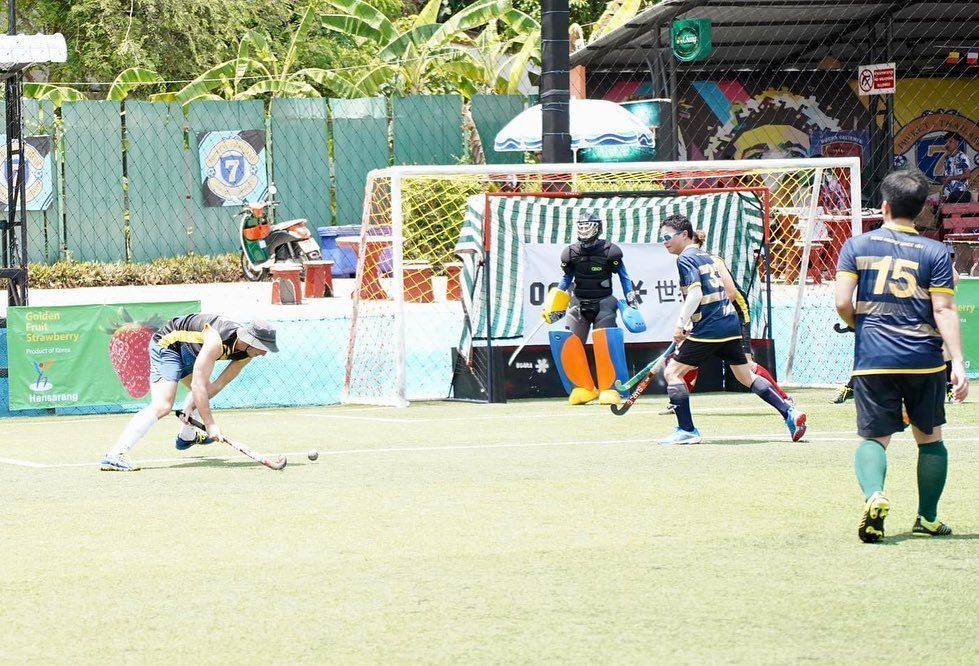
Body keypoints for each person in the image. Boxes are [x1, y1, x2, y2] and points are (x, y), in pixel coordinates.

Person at [835, 170, 969, 543]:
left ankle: (874, 495)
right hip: (924, 360)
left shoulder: (856, 246)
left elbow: (843, 302)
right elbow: (943, 310)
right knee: (930, 440)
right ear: (923, 209)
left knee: (874, 438)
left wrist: (859, 324)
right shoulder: (937, 252)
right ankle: (927, 519)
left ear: (885, 205)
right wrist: (957, 362)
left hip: (874, 357)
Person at [658, 214, 807, 445]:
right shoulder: (705, 256)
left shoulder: (685, 259)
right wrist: (692, 321)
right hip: (730, 323)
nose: (664, 242)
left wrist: (680, 323)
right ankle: (789, 412)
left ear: (684, 235)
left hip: (711, 326)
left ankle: (687, 430)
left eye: (667, 237)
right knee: (746, 375)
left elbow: (696, 293)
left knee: (673, 373)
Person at [100, 315, 279, 471]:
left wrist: (192, 407)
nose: (264, 353)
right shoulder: (216, 340)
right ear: (251, 341)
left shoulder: (246, 355)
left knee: (203, 393)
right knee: (163, 405)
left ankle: (187, 436)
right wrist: (210, 424)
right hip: (168, 346)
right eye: (263, 347)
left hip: (190, 351)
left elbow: (218, 385)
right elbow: (197, 385)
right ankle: (115, 455)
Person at [541, 213, 637, 405]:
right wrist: (556, 300)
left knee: (605, 344)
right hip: (578, 304)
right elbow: (566, 279)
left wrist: (630, 298)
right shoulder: (570, 253)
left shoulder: (610, 251)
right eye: (581, 225)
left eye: (588, 225)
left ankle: (609, 388)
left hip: (604, 303)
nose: (584, 229)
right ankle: (584, 388)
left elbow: (624, 276)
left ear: (598, 227)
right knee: (571, 344)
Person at [940, 132, 973, 204]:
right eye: (946, 142)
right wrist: (943, 179)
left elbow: (967, 175)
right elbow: (946, 176)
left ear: (957, 143)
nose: (947, 144)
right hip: (947, 195)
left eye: (950, 141)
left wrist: (950, 178)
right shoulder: (947, 159)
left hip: (959, 195)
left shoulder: (962, 157)